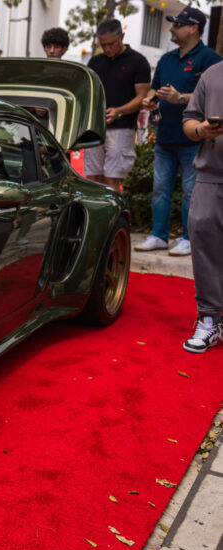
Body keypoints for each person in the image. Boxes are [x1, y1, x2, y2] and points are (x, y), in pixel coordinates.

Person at [136, 8, 221, 256]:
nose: (172, 29)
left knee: (191, 192)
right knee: (160, 189)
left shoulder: (210, 59)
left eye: (177, 25)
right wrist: (150, 100)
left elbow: (213, 97)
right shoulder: (166, 59)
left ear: (193, 28)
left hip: (195, 138)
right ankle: (158, 236)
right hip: (165, 136)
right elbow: (155, 90)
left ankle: (188, 238)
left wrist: (180, 97)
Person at [181, 60, 223, 353]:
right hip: (212, 174)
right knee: (204, 242)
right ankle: (209, 318)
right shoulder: (212, 74)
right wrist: (201, 129)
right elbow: (189, 121)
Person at [84, 18, 150, 191]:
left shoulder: (138, 61)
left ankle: (113, 217)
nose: (107, 49)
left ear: (122, 36)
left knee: (112, 180)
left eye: (111, 44)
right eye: (103, 44)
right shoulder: (95, 62)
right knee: (92, 179)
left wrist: (119, 111)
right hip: (95, 128)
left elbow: (142, 98)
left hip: (122, 127)